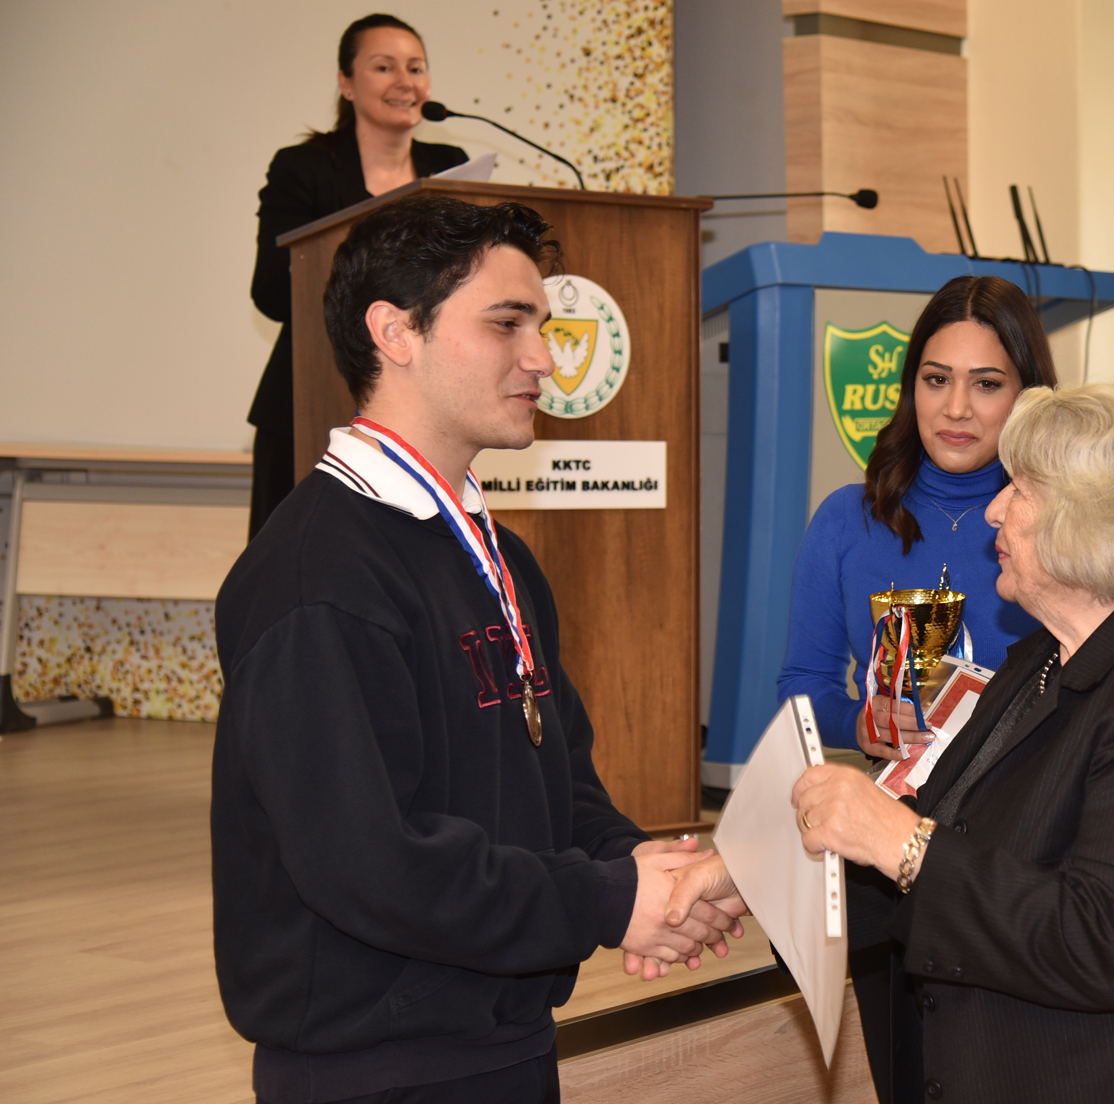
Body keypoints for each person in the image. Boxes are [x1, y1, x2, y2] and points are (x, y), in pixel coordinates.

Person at [213, 194, 744, 1104]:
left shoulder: (499, 557)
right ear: (396, 333)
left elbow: (557, 783)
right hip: (377, 1068)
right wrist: (607, 900)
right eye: (507, 324)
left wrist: (649, 872)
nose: (544, 359)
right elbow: (369, 863)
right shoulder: (317, 579)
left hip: (502, 1039)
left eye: (543, 327)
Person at [680, 380, 1114, 1102]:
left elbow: (1108, 940)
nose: (994, 508)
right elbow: (959, 844)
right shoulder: (1041, 659)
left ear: (1097, 519)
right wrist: (759, 873)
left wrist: (899, 840)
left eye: (1021, 489)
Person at [777, 275, 1056, 762]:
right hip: (892, 795)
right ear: (912, 387)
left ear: (1027, 394)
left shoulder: (1066, 524)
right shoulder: (845, 519)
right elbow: (802, 686)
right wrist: (859, 722)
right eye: (937, 380)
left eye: (986, 384)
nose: (956, 408)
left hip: (1035, 794)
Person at [247, 13, 469, 537]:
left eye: (416, 68)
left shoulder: (450, 166)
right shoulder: (304, 168)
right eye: (384, 67)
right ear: (346, 83)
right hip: (308, 400)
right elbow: (272, 291)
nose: (404, 82)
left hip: (425, 407)